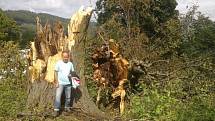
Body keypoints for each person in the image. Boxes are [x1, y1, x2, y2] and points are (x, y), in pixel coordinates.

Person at [53, 50, 74, 117]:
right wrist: (56, 82)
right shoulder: (59, 63)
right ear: (62, 56)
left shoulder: (70, 64)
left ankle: (66, 108)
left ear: (68, 57)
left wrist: (71, 75)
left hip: (68, 84)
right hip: (60, 83)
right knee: (58, 96)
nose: (65, 58)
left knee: (68, 97)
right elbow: (55, 72)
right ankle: (56, 110)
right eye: (64, 57)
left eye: (67, 57)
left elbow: (72, 73)